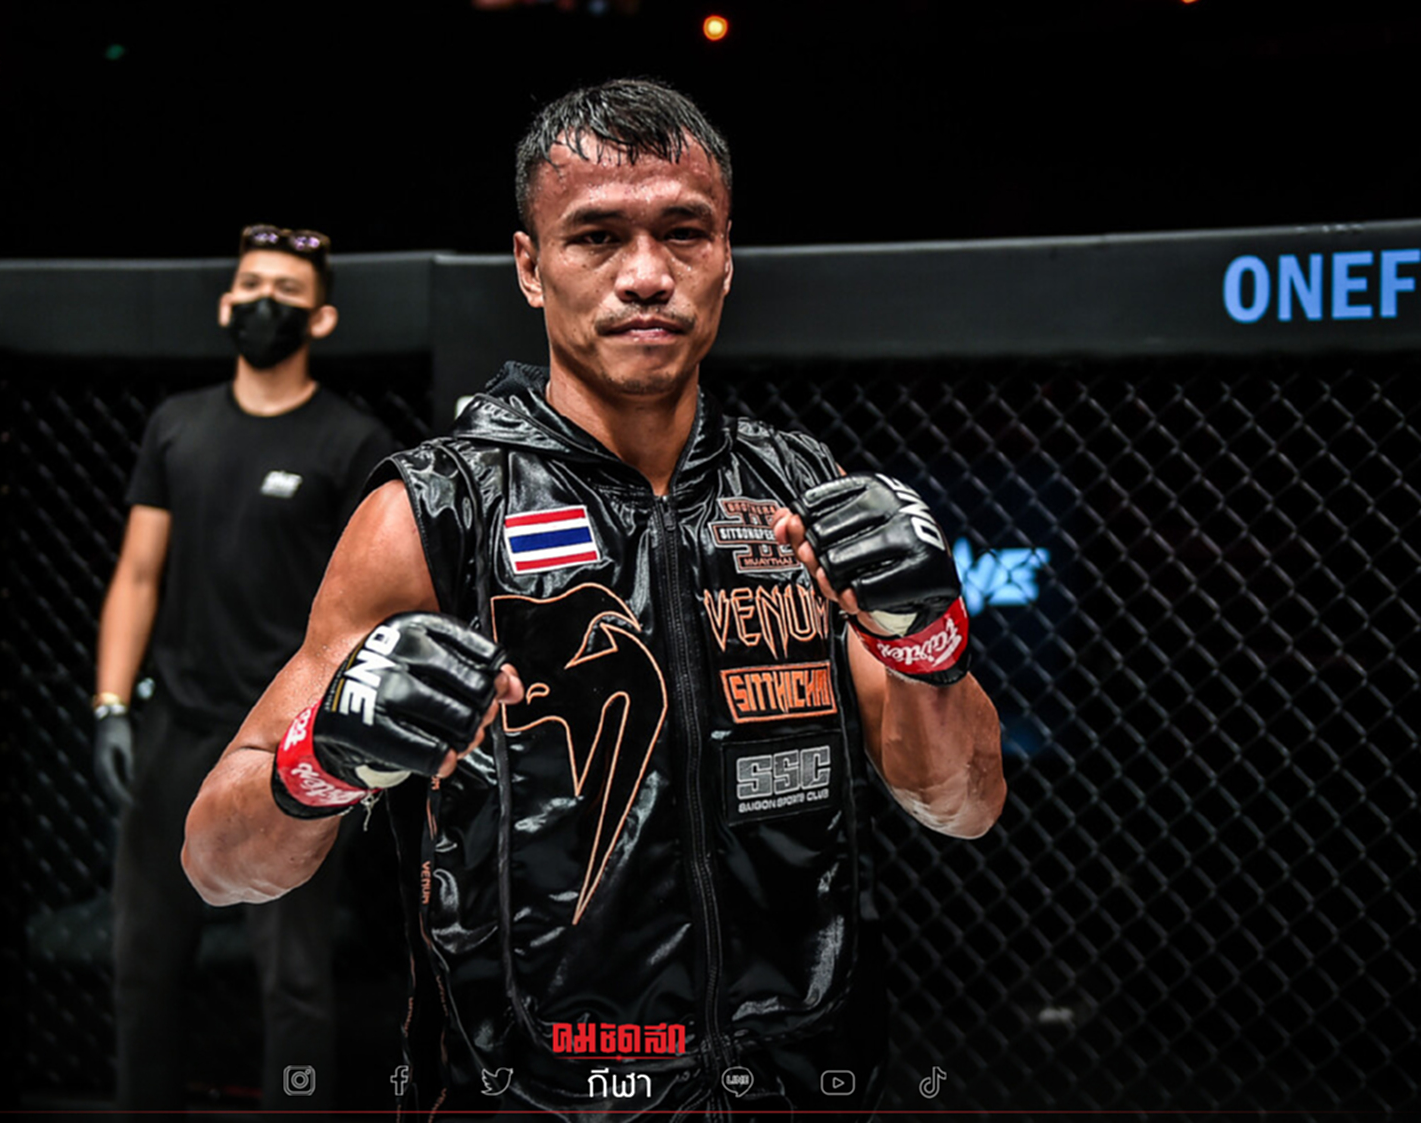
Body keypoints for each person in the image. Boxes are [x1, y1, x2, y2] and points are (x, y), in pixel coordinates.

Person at [183, 82, 1004, 1119]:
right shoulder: (434, 514)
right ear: (531, 267)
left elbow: (962, 805)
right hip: (534, 1097)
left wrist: (927, 639)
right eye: (597, 237)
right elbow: (215, 863)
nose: (647, 275)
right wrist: (326, 756)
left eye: (683, 233)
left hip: (801, 1087)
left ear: (726, 255)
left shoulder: (806, 496)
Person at [93, 224, 396, 1110]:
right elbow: (137, 574)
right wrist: (111, 704)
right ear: (227, 303)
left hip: (284, 739)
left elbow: (367, 601)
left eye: (287, 291)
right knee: (142, 963)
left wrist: (337, 735)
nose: (266, 303)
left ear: (321, 317)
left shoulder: (351, 440)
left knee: (294, 977)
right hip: (176, 728)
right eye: (253, 286)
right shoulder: (177, 425)